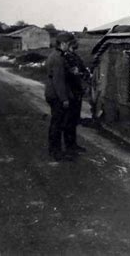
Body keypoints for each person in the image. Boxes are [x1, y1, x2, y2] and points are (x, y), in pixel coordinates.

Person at [45, 32, 76, 161]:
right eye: (69, 44)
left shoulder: (57, 56)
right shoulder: (58, 58)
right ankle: (55, 151)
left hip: (54, 94)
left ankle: (55, 149)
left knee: (56, 123)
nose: (69, 47)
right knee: (57, 124)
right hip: (57, 96)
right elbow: (59, 81)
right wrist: (64, 99)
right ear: (63, 44)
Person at [63, 35, 90, 153]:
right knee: (69, 120)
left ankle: (73, 144)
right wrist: (79, 73)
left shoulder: (74, 56)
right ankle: (69, 146)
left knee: (74, 120)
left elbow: (82, 70)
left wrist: (84, 74)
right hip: (71, 91)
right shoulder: (66, 57)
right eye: (73, 43)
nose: (75, 45)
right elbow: (69, 74)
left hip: (77, 91)